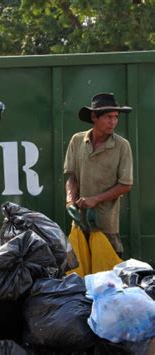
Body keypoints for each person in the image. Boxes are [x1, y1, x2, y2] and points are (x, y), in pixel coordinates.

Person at [64, 92, 133, 256]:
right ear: (94, 116)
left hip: (106, 225)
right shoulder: (77, 140)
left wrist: (95, 199)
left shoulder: (122, 146)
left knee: (107, 277)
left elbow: (126, 185)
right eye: (108, 116)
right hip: (80, 223)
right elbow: (72, 176)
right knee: (79, 275)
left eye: (116, 117)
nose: (113, 122)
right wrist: (69, 200)